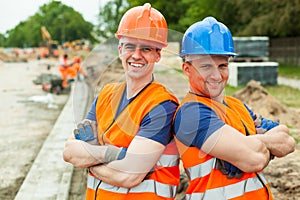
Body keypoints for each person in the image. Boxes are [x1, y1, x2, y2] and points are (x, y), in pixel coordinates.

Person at [63, 3, 180, 200]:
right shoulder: (106, 95)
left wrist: (89, 159)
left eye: (146, 48)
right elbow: (69, 152)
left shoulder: (161, 105)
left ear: (158, 55)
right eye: (130, 46)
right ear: (120, 49)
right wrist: (111, 154)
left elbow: (128, 176)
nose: (136, 55)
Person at [173, 16, 296, 199]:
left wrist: (252, 142)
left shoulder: (238, 106)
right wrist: (261, 141)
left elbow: (288, 141)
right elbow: (253, 159)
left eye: (222, 65)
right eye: (206, 66)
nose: (216, 75)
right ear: (187, 69)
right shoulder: (192, 114)